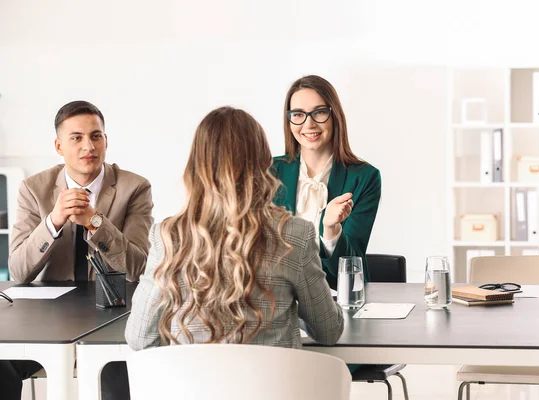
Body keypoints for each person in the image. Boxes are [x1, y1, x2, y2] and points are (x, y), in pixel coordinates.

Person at [125, 106, 344, 353]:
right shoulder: (295, 235)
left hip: (192, 390)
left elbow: (139, 338)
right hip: (272, 389)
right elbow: (328, 331)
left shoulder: (167, 237)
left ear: (196, 165)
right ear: (263, 162)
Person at [1, 100, 154, 400]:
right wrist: (53, 221)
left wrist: (95, 222)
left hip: (113, 316)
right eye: (77, 138)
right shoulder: (34, 188)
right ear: (59, 146)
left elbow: (138, 266)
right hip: (45, 320)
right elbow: (18, 269)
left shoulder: (134, 187)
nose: (89, 146)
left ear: (106, 141)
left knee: (119, 378)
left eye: (96, 136)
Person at [271, 75, 382, 289]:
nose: (308, 124)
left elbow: (352, 263)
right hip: (277, 298)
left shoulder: (364, 177)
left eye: (319, 112)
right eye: (298, 114)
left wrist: (331, 229)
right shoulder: (269, 171)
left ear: (334, 116)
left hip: (339, 298)